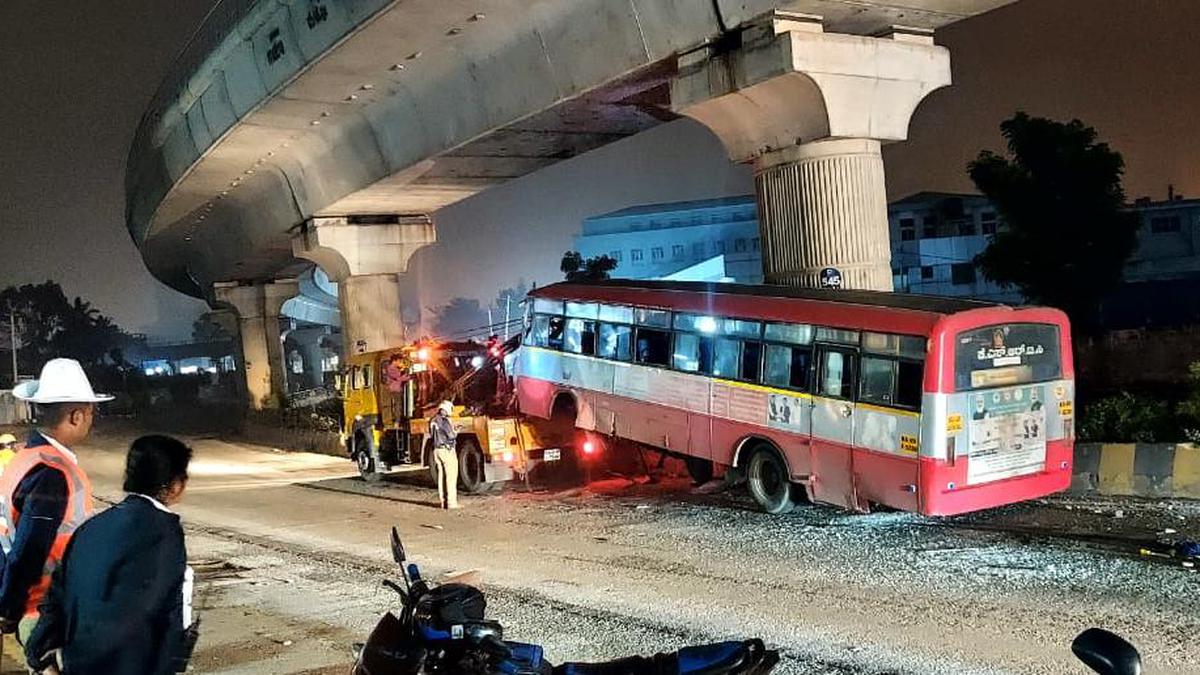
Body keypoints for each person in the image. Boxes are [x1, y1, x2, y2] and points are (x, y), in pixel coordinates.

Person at [25, 435, 200, 675]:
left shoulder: (91, 528)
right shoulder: (165, 533)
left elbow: (57, 594)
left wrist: (40, 655)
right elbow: (171, 613)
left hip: (79, 664)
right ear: (177, 485)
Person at [0, 359, 108, 667]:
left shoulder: (25, 459)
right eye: (90, 412)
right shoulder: (53, 472)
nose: (91, 419)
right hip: (45, 609)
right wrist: (9, 608)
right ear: (75, 416)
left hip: (38, 605)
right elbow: (30, 548)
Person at [431, 400, 459, 509]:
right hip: (446, 450)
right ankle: (452, 503)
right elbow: (451, 436)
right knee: (451, 477)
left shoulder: (432, 420)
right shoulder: (444, 420)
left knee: (441, 477)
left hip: (436, 450)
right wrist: (456, 431)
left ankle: (443, 502)